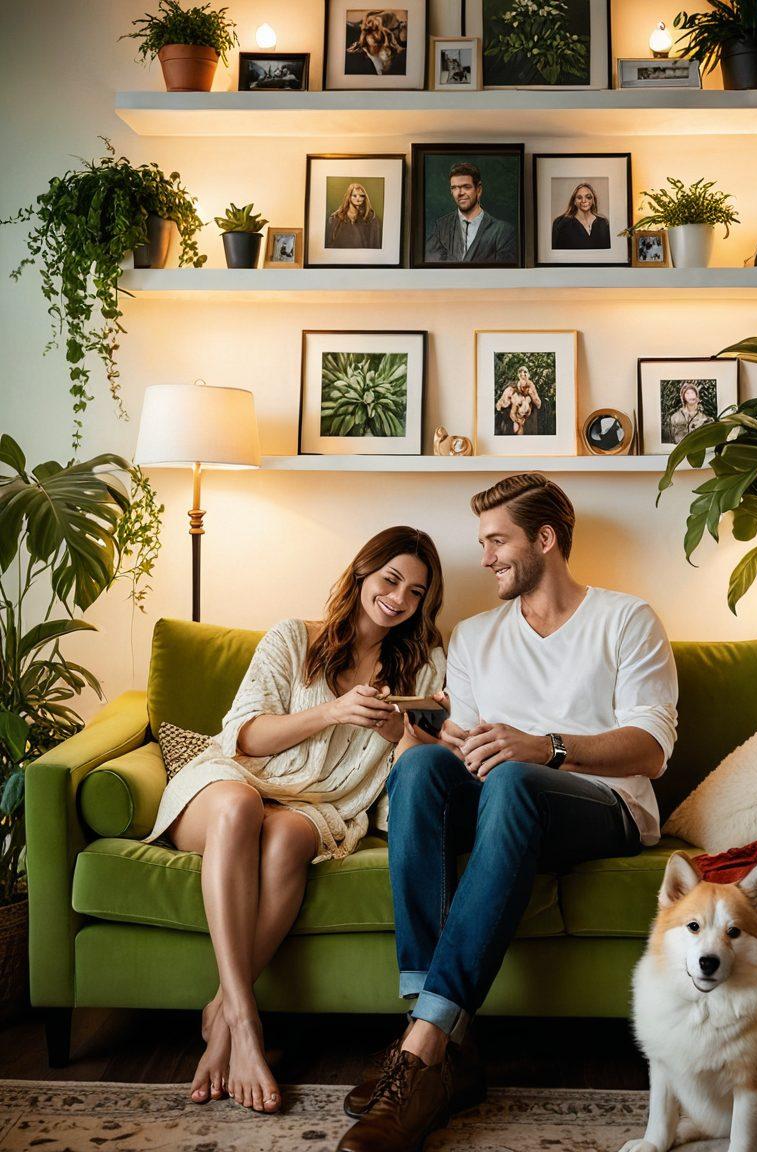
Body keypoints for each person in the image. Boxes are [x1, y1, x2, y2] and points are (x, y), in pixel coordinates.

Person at [337, 474, 678, 1152]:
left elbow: (653, 751)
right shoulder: (472, 636)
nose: (485, 557)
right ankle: (440, 1048)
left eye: (497, 541)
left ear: (545, 539)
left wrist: (545, 747)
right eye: (483, 542)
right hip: (504, 805)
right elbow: (462, 755)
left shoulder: (626, 619)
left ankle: (422, 1046)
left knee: (517, 780)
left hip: (605, 808)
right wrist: (449, 745)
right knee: (423, 764)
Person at [144, 527, 445, 1115]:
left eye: (414, 591)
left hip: (318, 807)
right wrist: (332, 712)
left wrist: (395, 733)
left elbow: (414, 769)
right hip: (229, 784)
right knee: (242, 806)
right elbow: (245, 734)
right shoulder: (292, 638)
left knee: (284, 837)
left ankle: (220, 1010)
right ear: (362, 573)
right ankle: (243, 1023)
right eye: (390, 579)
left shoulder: (423, 667)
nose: (398, 598)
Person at [425, 162, 517, 264]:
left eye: (466, 187)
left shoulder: (502, 231)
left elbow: (504, 274)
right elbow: (432, 268)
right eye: (454, 188)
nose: (459, 193)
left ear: (478, 189)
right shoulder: (441, 227)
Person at [551, 182, 611, 250]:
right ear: (574, 202)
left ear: (593, 200)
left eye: (588, 197)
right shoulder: (561, 224)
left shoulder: (604, 223)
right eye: (579, 198)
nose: (584, 200)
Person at [325, 183, 383, 249]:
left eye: (362, 196)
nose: (358, 198)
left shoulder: (371, 218)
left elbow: (375, 245)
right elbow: (330, 244)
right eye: (354, 195)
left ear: (365, 198)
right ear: (349, 197)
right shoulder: (336, 218)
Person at [496, 365, 542, 435]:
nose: (523, 374)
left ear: (528, 375)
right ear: (518, 375)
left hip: (525, 419)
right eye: (521, 372)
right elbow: (499, 406)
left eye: (525, 372)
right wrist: (507, 401)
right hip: (513, 418)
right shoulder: (511, 390)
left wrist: (531, 394)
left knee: (526, 399)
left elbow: (538, 404)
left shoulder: (531, 387)